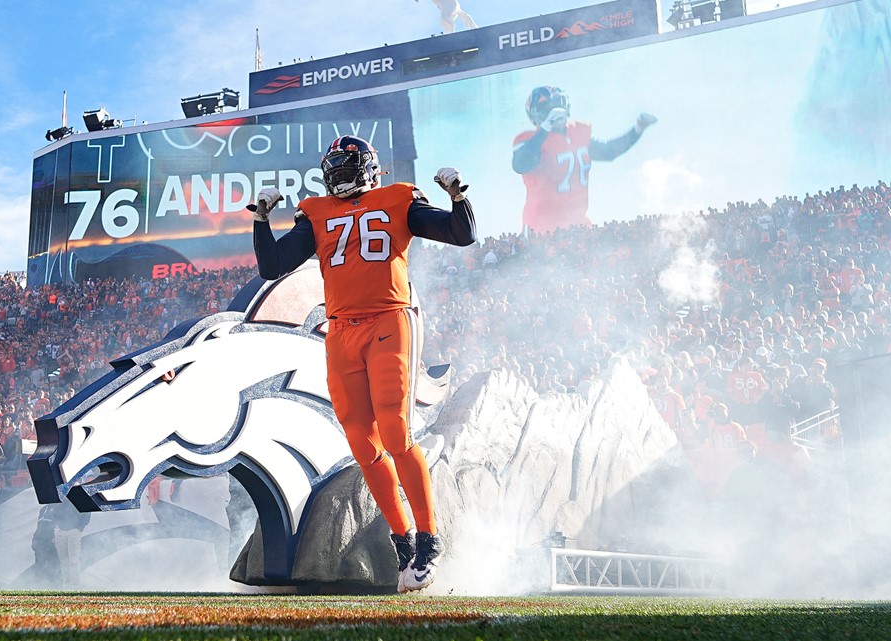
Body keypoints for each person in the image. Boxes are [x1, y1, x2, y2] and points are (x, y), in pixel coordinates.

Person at [252, 135, 476, 593]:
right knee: (361, 441)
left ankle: (429, 537)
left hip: (389, 320)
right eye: (332, 166)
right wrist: (261, 220)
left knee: (395, 430)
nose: (337, 173)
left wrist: (459, 198)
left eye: (345, 164)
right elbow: (273, 265)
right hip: (340, 331)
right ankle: (402, 541)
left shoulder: (396, 199)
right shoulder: (316, 212)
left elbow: (461, 233)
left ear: (369, 167)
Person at [511, 85, 657, 233]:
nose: (556, 111)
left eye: (559, 105)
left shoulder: (577, 133)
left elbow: (608, 151)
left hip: (577, 224)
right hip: (542, 229)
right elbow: (521, 164)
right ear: (538, 114)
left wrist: (638, 129)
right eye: (549, 108)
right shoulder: (529, 141)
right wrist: (545, 128)